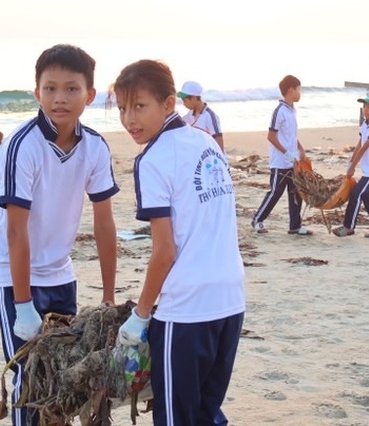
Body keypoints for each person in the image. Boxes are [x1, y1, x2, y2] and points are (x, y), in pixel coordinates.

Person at [0, 43, 119, 426]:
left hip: (60, 271)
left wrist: (108, 296)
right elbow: (15, 229)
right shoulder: (21, 146)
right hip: (10, 273)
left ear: (90, 95)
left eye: (72, 89)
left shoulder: (94, 146)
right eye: (51, 88)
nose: (60, 98)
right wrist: (23, 306)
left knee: (65, 375)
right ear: (37, 91)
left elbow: (105, 223)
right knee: (32, 379)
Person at [111, 59, 246, 426]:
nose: (129, 119)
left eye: (140, 106)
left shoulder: (152, 159)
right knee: (207, 413)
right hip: (230, 299)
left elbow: (165, 250)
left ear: (169, 103)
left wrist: (140, 315)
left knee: (175, 418)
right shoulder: (205, 142)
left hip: (186, 310)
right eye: (123, 108)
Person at [251, 74, 312, 235]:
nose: (300, 93)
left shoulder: (292, 111)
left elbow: (291, 135)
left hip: (293, 161)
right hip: (280, 161)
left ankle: (295, 226)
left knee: (296, 192)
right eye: (298, 89)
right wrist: (286, 153)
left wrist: (300, 149)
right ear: (291, 90)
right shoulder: (279, 111)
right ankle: (257, 219)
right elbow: (271, 136)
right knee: (275, 192)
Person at [332, 92, 369, 239]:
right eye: (364, 106)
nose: (365, 109)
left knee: (356, 193)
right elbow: (359, 145)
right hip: (368, 168)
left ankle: (348, 227)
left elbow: (365, 147)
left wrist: (352, 168)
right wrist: (350, 163)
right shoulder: (365, 124)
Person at [177, 81, 225, 152]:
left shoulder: (209, 116)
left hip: (210, 155)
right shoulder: (189, 115)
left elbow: (218, 140)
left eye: (184, 100)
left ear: (193, 98)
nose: (184, 104)